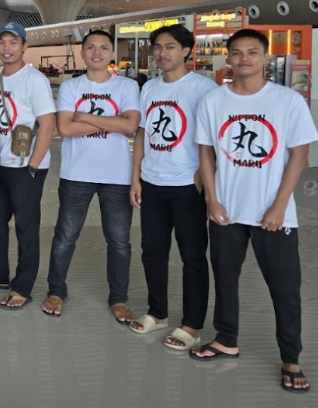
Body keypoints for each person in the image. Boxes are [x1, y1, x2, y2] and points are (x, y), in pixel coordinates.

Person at [191, 29, 317, 394]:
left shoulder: (287, 100)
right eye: (237, 52)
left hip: (273, 215)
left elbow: (299, 155)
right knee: (225, 280)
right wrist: (212, 199)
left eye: (252, 52)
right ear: (228, 58)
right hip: (227, 211)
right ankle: (226, 339)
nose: (244, 58)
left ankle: (290, 358)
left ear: (265, 58)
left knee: (285, 288)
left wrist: (279, 205)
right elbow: (205, 153)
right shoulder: (213, 100)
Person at [129, 25, 216, 349]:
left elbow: (211, 139)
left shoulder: (203, 88)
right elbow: (142, 133)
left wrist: (205, 179)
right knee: (152, 251)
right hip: (152, 182)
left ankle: (192, 325)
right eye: (157, 47)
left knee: (192, 256)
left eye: (170, 47)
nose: (162, 53)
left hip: (187, 186)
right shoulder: (150, 87)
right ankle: (158, 312)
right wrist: (136, 176)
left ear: (186, 51)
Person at [43, 30, 140, 322]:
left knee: (119, 241)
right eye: (91, 47)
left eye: (103, 47)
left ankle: (118, 298)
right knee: (65, 236)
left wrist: (84, 117)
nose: (97, 52)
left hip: (117, 176)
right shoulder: (71, 87)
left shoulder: (126, 86)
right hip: (77, 174)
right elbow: (65, 129)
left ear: (112, 53)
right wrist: (113, 121)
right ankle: (56, 291)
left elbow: (130, 126)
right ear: (82, 52)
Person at [0, 23, 56, 310]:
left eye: (13, 42)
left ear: (24, 46)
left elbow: (48, 125)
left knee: (26, 227)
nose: (7, 48)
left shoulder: (34, 80)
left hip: (27, 166)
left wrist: (33, 168)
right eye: (2, 42)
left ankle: (23, 286)